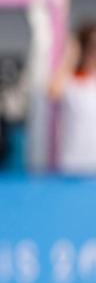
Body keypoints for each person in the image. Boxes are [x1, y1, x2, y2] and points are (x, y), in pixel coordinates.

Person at [53, 22, 96, 175]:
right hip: (73, 163)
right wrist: (71, 54)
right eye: (91, 46)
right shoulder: (71, 81)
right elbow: (53, 91)